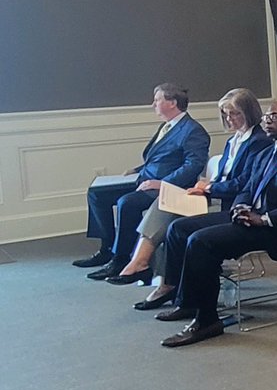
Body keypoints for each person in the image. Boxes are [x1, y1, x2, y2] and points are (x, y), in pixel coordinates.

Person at [154, 100, 277, 347]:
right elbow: (247, 187)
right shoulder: (267, 152)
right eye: (268, 115)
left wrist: (265, 219)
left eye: (276, 116)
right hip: (249, 217)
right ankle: (188, 302)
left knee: (201, 242)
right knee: (180, 229)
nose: (268, 119)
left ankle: (207, 321)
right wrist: (240, 207)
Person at [118, 89, 269, 290]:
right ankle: (158, 276)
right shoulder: (233, 140)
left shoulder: (259, 141)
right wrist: (206, 184)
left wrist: (209, 187)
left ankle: (149, 269)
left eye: (235, 113)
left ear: (249, 112)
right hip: (216, 193)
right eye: (225, 113)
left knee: (172, 218)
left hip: (235, 204)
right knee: (166, 204)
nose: (229, 118)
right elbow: (226, 175)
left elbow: (245, 183)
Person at [76, 83, 211, 280]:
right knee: (97, 193)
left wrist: (162, 183)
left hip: (170, 187)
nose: (153, 104)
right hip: (144, 178)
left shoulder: (193, 130)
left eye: (157, 100)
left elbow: (193, 166)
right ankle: (106, 249)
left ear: (172, 103)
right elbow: (160, 159)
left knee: (127, 203)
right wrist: (136, 170)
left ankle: (121, 258)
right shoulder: (166, 126)